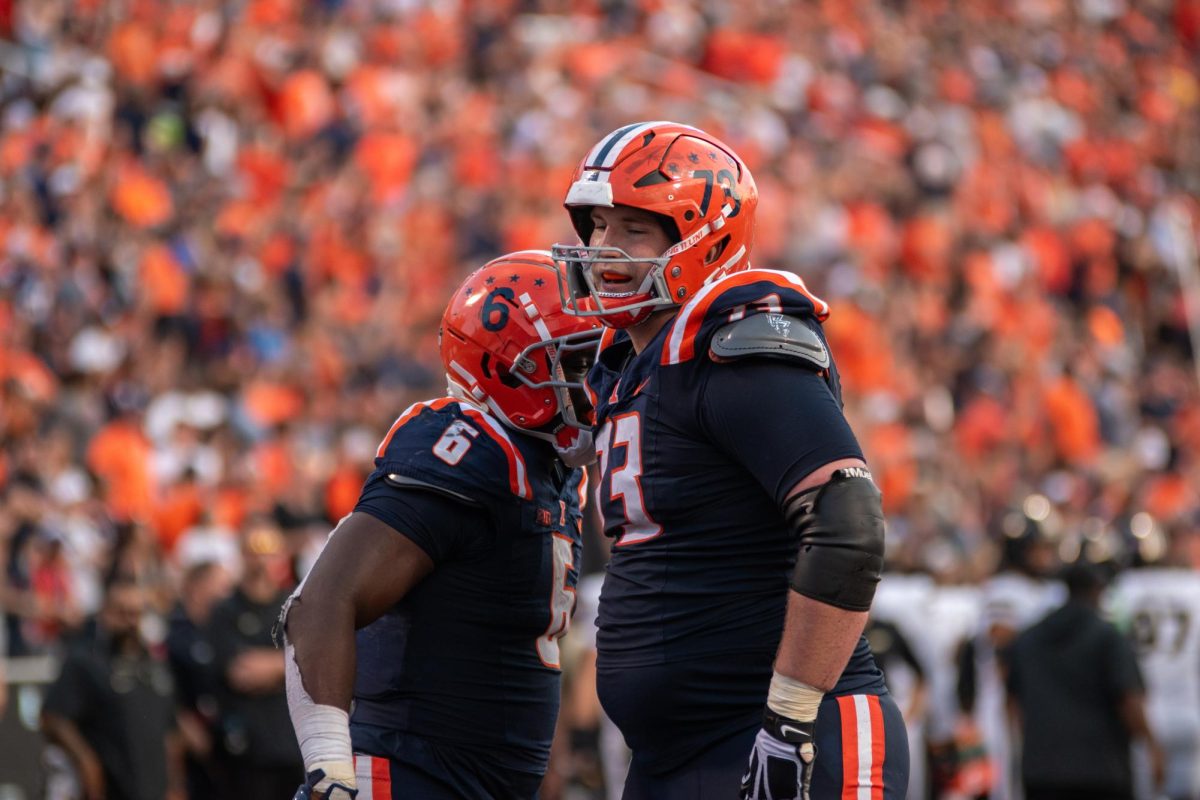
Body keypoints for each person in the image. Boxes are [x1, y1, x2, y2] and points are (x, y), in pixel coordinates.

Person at [551, 120, 908, 799]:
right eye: (596, 226)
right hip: (672, 756)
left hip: (789, 738)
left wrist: (790, 720)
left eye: (632, 229)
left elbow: (847, 518)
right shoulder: (629, 363)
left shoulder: (729, 343)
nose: (601, 249)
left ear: (701, 241)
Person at [282, 251, 603, 799]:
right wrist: (330, 774)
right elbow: (321, 603)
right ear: (508, 367)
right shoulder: (468, 446)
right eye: (572, 366)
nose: (591, 384)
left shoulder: (552, 469)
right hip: (408, 775)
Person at [1007, 559, 1164, 800]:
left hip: (1042, 771)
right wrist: (1151, 745)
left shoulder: (1029, 638)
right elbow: (1128, 699)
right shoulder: (1107, 638)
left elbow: (1013, 705)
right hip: (1102, 770)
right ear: (1098, 590)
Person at [40, 577, 185, 800]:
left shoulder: (155, 666)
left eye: (135, 613)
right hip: (110, 789)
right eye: (121, 612)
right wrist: (86, 760)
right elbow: (53, 718)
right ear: (105, 613)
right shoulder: (85, 661)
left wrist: (176, 785)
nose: (129, 621)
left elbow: (170, 732)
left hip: (154, 787)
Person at [207, 520, 303, 797]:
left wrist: (273, 664)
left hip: (293, 743)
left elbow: (312, 662)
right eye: (254, 550)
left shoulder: (295, 604)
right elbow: (240, 672)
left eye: (269, 550)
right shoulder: (225, 610)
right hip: (248, 749)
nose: (262, 559)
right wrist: (288, 663)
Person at [1107, 535, 1200, 800]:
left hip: (1143, 714)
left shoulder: (1122, 589)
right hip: (1189, 712)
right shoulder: (1194, 586)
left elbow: (1108, 644)